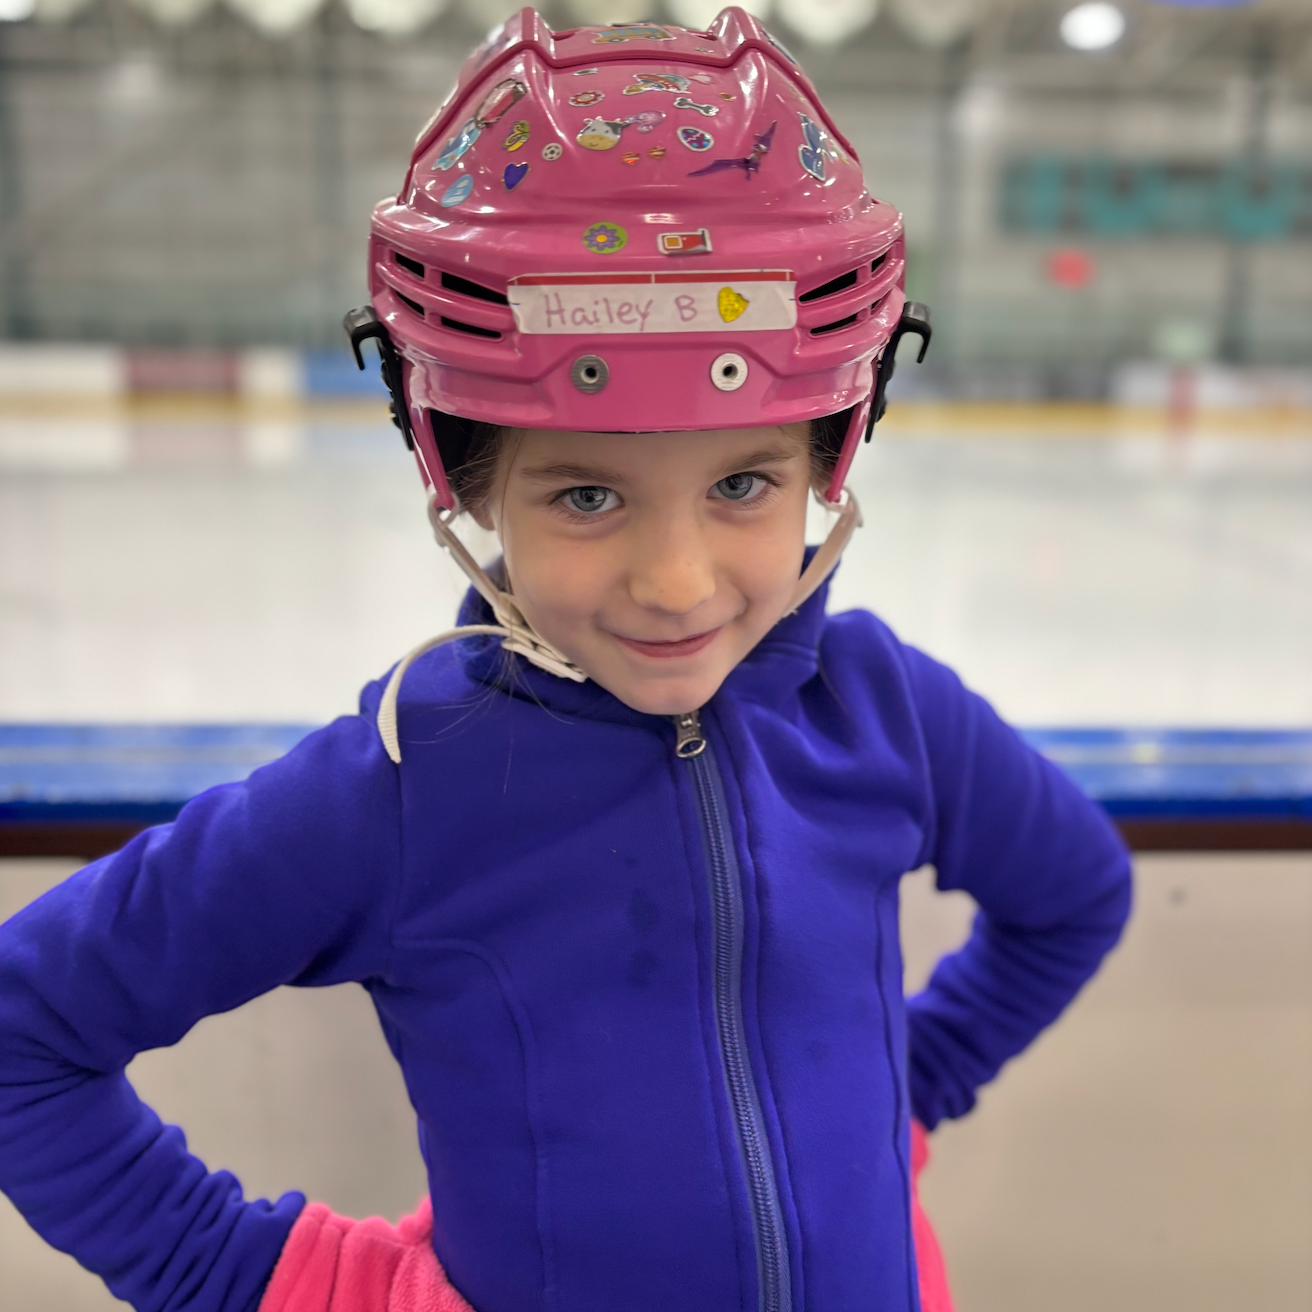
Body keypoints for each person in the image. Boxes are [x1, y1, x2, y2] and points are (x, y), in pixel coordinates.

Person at [0, 10, 1132, 1312]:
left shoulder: (881, 710)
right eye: (587, 497)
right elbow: (25, 1033)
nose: (678, 579)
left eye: (744, 483)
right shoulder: (401, 787)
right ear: (466, 479)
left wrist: (900, 1101)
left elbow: (1076, 894)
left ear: (833, 451)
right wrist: (286, 1284)